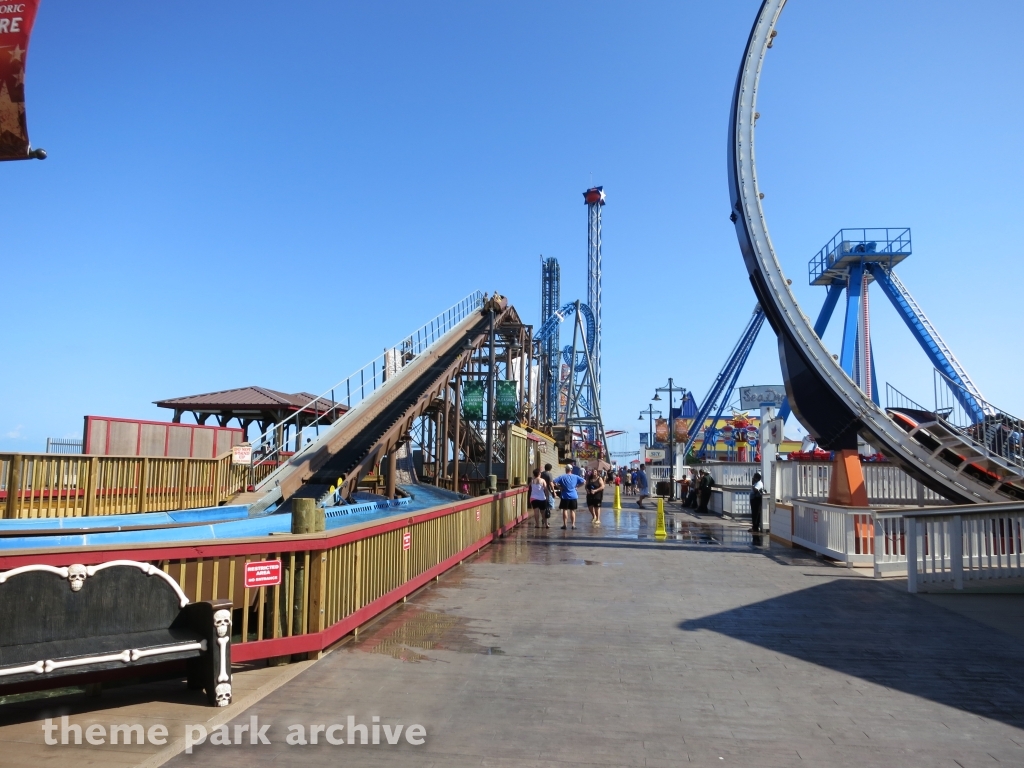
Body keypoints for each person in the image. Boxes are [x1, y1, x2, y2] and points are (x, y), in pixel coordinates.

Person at [553, 463, 585, 529]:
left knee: (565, 510)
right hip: (573, 496)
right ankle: (573, 525)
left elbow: (554, 481)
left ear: (566, 469)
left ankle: (565, 525)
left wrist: (559, 487)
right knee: (572, 510)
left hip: (565, 496)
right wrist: (577, 487)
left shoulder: (562, 476)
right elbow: (584, 481)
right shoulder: (575, 476)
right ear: (571, 470)